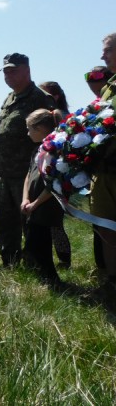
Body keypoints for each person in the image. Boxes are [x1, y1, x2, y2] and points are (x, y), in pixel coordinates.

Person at [0, 53, 55, 266]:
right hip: (5, 172)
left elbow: (49, 139)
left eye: (13, 70)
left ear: (27, 70)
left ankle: (34, 266)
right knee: (4, 220)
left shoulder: (40, 99)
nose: (8, 75)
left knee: (30, 221)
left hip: (27, 173)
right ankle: (9, 263)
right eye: (5, 71)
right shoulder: (9, 99)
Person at [21, 109, 62, 285]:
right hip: (33, 206)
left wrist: (36, 204)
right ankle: (41, 276)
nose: (28, 133)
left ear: (41, 128)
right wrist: (25, 199)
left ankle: (51, 280)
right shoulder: (38, 149)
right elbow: (28, 175)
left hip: (45, 206)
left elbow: (54, 184)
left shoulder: (54, 151)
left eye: (30, 129)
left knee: (41, 244)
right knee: (32, 241)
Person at [38, 81, 73, 268]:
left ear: (56, 97)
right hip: (44, 170)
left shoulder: (62, 117)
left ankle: (64, 259)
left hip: (57, 173)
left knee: (55, 221)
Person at [91, 32, 116, 284]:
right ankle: (111, 280)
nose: (102, 55)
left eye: (108, 50)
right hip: (105, 169)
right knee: (106, 227)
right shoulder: (108, 88)